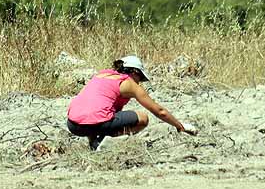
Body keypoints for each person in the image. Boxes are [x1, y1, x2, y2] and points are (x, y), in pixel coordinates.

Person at [67, 55, 197, 150]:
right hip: (93, 122)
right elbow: (160, 111)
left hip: (73, 124)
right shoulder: (128, 83)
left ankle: (95, 143)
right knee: (142, 118)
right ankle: (104, 143)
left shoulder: (102, 74)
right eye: (140, 77)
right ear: (134, 72)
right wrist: (179, 126)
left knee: (102, 114)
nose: (139, 82)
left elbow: (89, 108)